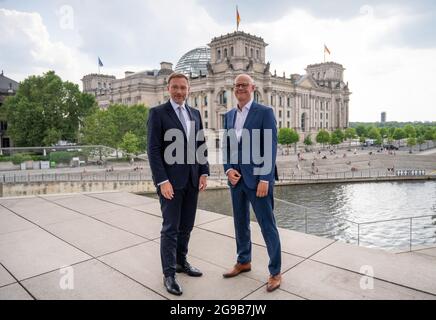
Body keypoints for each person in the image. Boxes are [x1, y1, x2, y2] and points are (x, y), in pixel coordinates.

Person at [147, 72, 209, 296]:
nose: (179, 91)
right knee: (170, 229)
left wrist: (204, 172)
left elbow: (199, 143)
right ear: (168, 88)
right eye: (175, 87)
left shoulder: (194, 113)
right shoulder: (157, 113)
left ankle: (182, 262)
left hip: (192, 180)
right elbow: (153, 151)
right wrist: (162, 180)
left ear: (189, 89)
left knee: (187, 226)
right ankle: (169, 274)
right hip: (170, 183)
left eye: (183, 87)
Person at [222, 74, 282, 292]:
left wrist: (266, 177)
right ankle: (243, 261)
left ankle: (275, 272)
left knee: (267, 226)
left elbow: (270, 146)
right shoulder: (228, 115)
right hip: (236, 180)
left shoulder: (264, 112)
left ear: (253, 88)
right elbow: (227, 146)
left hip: (258, 179)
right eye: (237, 85)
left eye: (244, 85)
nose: (240, 88)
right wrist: (228, 169)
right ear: (234, 89)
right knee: (240, 223)